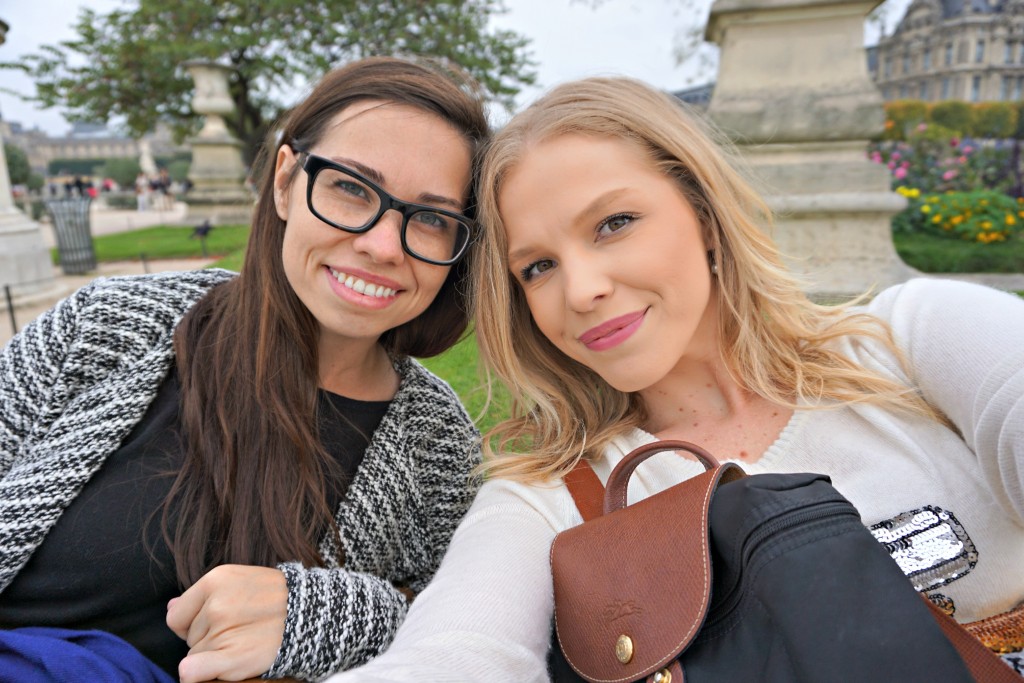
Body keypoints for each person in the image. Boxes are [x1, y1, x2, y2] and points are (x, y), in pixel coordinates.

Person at [324, 76, 1024, 681]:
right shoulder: (556, 493)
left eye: (614, 223)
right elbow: (461, 651)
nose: (581, 289)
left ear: (706, 216)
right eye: (537, 266)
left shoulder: (912, 341)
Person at [0, 56, 488, 682]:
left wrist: (331, 615)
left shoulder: (438, 447)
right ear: (286, 181)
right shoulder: (110, 323)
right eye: (350, 187)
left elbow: (468, 634)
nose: (382, 245)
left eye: (431, 219)